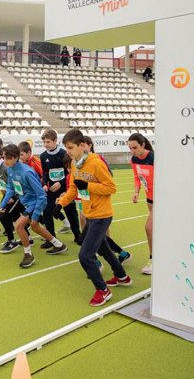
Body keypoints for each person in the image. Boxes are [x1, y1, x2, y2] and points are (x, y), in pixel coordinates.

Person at [56, 129, 132, 307]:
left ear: (83, 145)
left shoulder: (96, 163)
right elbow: (74, 189)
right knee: (104, 249)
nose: (68, 152)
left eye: (71, 148)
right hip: (90, 214)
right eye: (66, 148)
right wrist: (61, 204)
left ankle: (103, 290)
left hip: (102, 215)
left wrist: (88, 185)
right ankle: (122, 276)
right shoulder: (75, 163)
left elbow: (111, 188)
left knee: (85, 255)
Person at [0, 144, 68, 268]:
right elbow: (10, 187)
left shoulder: (27, 172)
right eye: (4, 158)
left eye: (8, 158)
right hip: (26, 202)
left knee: (19, 225)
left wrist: (36, 214)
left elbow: (41, 195)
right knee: (35, 226)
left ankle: (28, 255)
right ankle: (59, 245)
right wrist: (3, 203)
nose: (5, 161)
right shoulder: (9, 170)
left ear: (15, 158)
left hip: (36, 202)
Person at [40, 129, 81, 244]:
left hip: (65, 188)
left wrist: (61, 183)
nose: (45, 145)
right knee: (47, 211)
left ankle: (77, 235)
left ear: (55, 141)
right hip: (52, 190)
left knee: (70, 211)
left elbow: (69, 172)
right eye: (44, 142)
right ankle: (51, 238)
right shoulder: (43, 156)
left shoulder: (64, 153)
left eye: (48, 142)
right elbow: (45, 173)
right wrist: (44, 184)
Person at [0, 143, 26, 253]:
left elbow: (14, 183)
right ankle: (28, 238)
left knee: (3, 216)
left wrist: (12, 197)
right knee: (17, 216)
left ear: (0, 156)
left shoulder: (6, 167)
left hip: (16, 195)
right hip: (7, 195)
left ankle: (12, 241)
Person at [128, 133, 155, 275]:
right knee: (157, 230)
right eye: (130, 148)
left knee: (149, 228)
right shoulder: (134, 159)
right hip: (149, 198)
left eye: (135, 148)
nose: (132, 151)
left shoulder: (154, 158)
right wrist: (136, 192)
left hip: (161, 199)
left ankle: (153, 262)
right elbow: (137, 177)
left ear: (143, 145)